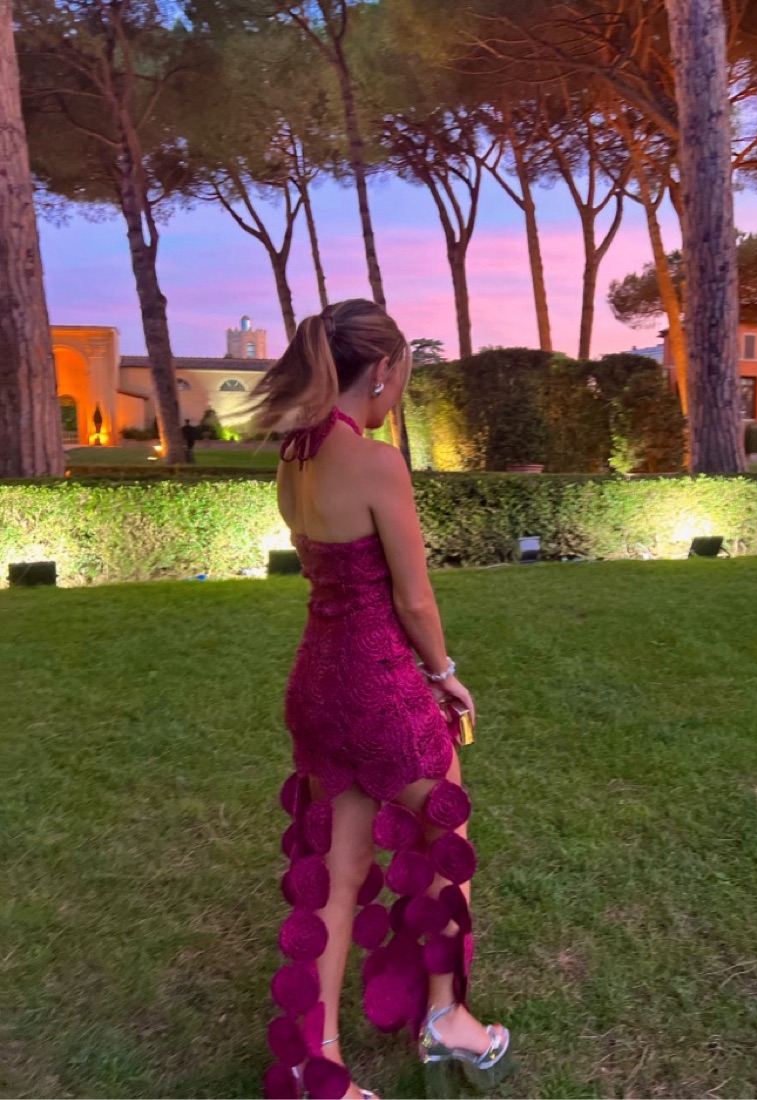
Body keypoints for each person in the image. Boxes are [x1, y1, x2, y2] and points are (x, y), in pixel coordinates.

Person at [250, 299, 511, 1100]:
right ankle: (445, 1018)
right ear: (384, 370)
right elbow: (413, 597)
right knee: (444, 833)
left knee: (336, 875)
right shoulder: (374, 462)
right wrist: (443, 671)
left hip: (317, 684)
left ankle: (315, 1059)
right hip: (378, 685)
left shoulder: (294, 456)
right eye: (403, 375)